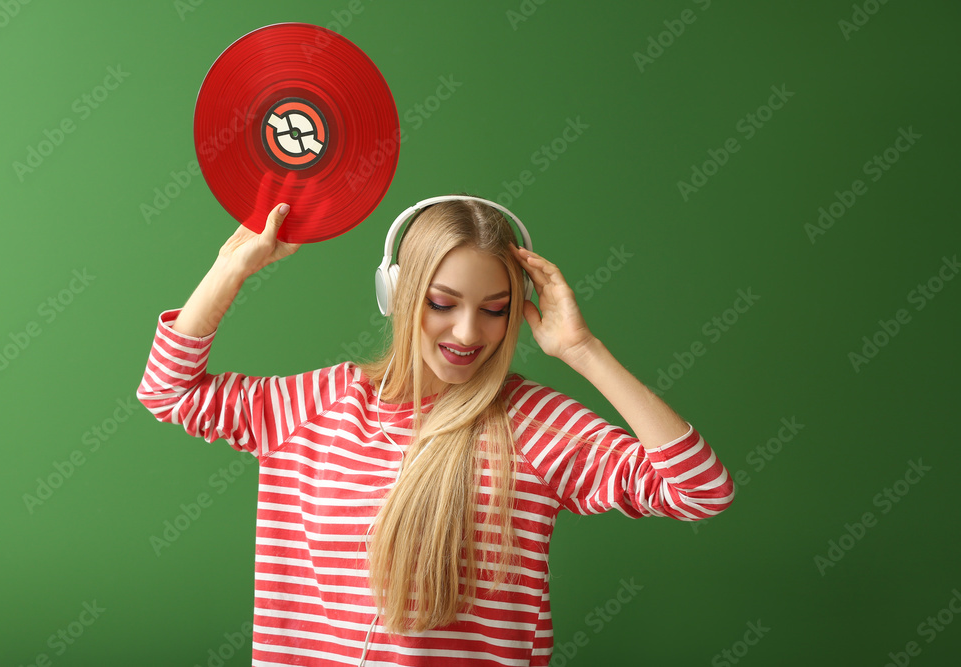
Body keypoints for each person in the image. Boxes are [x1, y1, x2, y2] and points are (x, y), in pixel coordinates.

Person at [136, 196, 735, 666]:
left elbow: (700, 491)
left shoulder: (536, 426)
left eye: (496, 309)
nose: (469, 332)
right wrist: (231, 267)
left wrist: (582, 349)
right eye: (443, 302)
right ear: (396, 294)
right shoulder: (318, 405)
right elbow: (168, 390)